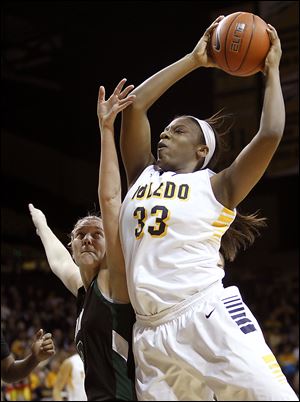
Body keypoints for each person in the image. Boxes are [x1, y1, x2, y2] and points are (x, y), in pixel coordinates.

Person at [117, 15, 299, 401]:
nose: (165, 132)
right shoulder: (141, 175)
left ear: (203, 151)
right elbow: (135, 109)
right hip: (150, 333)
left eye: (179, 130)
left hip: (206, 315)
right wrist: (193, 60)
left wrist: (272, 70)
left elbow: (270, 135)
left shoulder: (217, 186)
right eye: (166, 128)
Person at [29, 79, 137, 401]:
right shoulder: (84, 290)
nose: (88, 240)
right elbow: (60, 262)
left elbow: (110, 200)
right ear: (72, 245)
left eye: (97, 234)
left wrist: (106, 129)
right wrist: (42, 226)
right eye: (80, 236)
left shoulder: (114, 280)